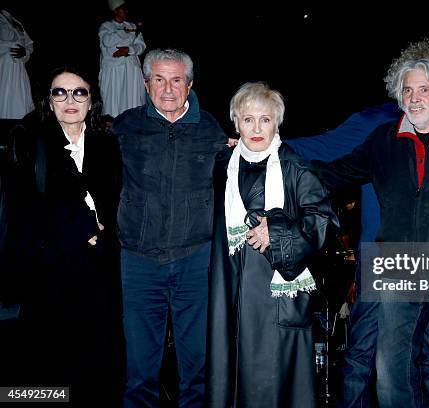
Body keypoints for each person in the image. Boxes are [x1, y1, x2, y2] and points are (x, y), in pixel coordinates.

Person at [286, 37, 429, 408]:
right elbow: (324, 152)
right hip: (384, 257)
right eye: (417, 77)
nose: (424, 84)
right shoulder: (378, 124)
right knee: (366, 351)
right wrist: (265, 144)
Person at [206, 82, 338, 408]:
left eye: (265, 119)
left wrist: (276, 232)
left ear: (277, 123)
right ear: (236, 123)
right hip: (228, 296)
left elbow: (326, 222)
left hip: (276, 303)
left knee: (274, 389)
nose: (256, 128)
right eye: (248, 119)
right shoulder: (221, 164)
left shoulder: (294, 167)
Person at [111, 48, 227, 408]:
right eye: (158, 80)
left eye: (176, 80)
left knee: (198, 368)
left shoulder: (210, 129)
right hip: (139, 262)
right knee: (140, 370)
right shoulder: (125, 127)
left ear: (189, 84)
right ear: (147, 85)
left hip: (196, 262)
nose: (167, 89)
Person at [7, 66, 122, 404]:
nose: (70, 100)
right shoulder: (30, 140)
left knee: (94, 364)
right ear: (49, 100)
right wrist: (84, 229)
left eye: (79, 92)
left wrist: (102, 231)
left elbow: (119, 198)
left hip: (98, 268)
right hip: (50, 267)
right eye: (60, 92)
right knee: (46, 367)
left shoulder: (107, 143)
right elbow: (24, 208)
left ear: (92, 99)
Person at [99, 0, 146, 118]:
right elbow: (107, 42)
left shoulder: (132, 26)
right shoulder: (106, 26)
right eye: (122, 9)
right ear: (115, 10)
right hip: (113, 70)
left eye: (126, 9)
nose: (125, 11)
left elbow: (140, 46)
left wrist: (128, 50)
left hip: (131, 68)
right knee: (113, 102)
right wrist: (127, 33)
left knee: (133, 99)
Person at [0, 6, 34, 119]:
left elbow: (29, 45)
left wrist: (25, 53)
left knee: (19, 100)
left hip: (19, 70)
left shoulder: (16, 22)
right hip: (4, 66)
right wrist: (10, 47)